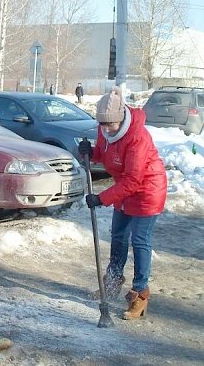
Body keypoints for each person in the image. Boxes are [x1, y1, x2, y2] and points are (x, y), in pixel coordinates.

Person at [78, 86, 167, 320]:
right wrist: (91, 152)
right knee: (117, 236)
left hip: (147, 190)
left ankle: (140, 294)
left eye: (110, 125)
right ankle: (113, 281)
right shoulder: (105, 129)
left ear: (121, 118)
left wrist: (101, 198)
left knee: (139, 240)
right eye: (102, 125)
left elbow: (134, 179)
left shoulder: (137, 137)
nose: (106, 130)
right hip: (125, 190)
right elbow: (108, 154)